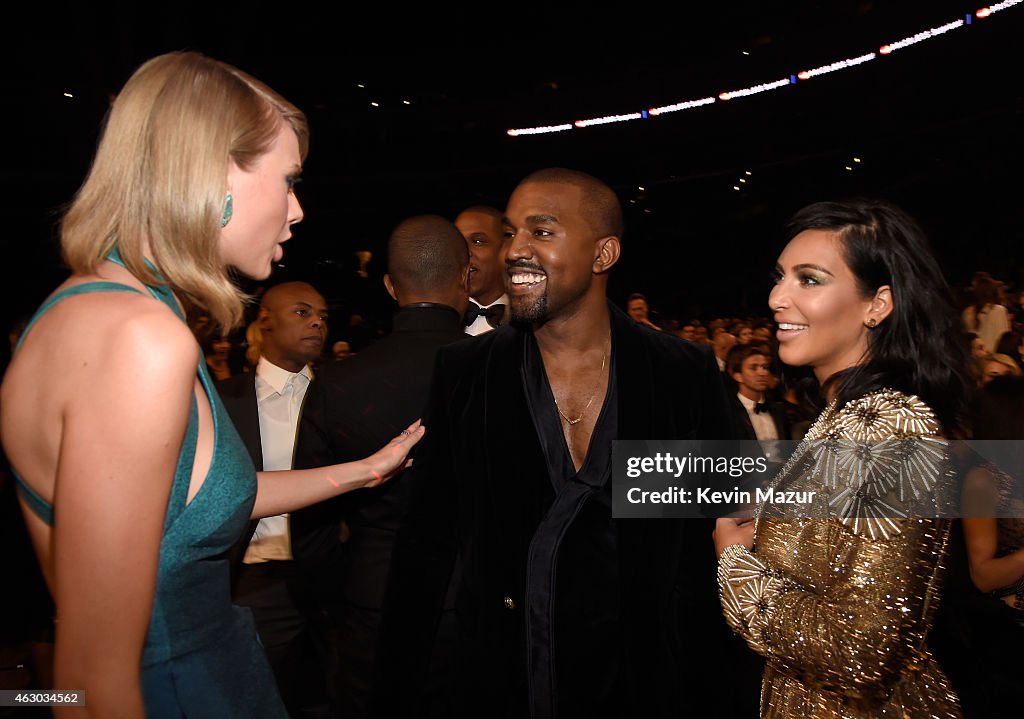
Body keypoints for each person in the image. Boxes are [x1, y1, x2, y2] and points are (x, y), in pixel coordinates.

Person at [0, 51, 423, 718]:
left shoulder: (88, 308)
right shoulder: (140, 338)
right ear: (214, 171)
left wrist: (363, 471)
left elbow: (185, 502)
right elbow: (86, 682)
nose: (298, 209)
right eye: (287, 180)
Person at [383, 168, 747, 718]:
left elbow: (721, 523)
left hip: (645, 684)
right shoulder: (466, 372)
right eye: (510, 233)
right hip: (506, 681)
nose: (514, 251)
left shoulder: (680, 371)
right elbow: (426, 547)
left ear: (603, 255)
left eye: (542, 232)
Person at [714, 198, 971, 718]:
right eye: (780, 277)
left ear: (878, 304)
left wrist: (734, 564)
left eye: (809, 279)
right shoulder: (846, 417)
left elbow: (860, 651)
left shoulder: (893, 427)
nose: (777, 297)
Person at [292, 214, 471, 718]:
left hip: (372, 601)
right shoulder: (506, 368)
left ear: (391, 285)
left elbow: (311, 523)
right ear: (466, 277)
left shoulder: (337, 383)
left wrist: (335, 603)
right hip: (478, 605)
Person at [217, 280, 331, 718]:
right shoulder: (223, 402)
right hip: (255, 581)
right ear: (264, 320)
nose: (318, 321)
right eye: (302, 312)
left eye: (322, 315)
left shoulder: (343, 392)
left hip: (332, 577)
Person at [455, 205, 510, 335]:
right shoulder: (440, 321)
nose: (464, 251)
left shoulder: (531, 322)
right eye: (457, 241)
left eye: (477, 241)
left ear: (506, 249)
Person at [962, 272, 1010, 353]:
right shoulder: (998, 310)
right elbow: (1003, 340)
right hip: (992, 359)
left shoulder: (967, 312)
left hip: (975, 359)